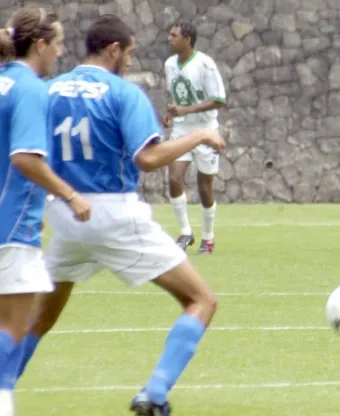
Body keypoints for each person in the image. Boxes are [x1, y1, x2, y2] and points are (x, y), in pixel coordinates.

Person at [12, 15, 225, 416]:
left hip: (66, 213)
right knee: (201, 300)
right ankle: (154, 394)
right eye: (128, 53)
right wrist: (199, 135)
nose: (129, 61)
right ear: (113, 50)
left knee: (37, 320)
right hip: (113, 214)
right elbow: (146, 159)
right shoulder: (122, 93)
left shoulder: (48, 89)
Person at [0, 6, 91, 414]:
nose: (61, 51)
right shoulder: (31, 90)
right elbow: (25, 158)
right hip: (12, 223)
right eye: (58, 43)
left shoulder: (3, 82)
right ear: (40, 44)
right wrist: (70, 195)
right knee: (16, 327)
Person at [163, 22, 227, 254]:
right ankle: (185, 232)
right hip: (181, 131)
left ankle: (208, 237)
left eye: (174, 35)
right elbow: (178, 96)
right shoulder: (170, 64)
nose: (169, 38)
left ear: (187, 39)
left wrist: (188, 110)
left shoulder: (205, 64)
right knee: (174, 178)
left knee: (204, 188)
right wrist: (171, 113)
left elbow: (220, 99)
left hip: (206, 132)